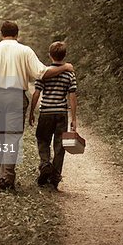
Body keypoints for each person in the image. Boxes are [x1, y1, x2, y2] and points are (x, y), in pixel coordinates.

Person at [0, 21, 74, 190]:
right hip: (15, 98)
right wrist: (65, 67)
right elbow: (42, 73)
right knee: (12, 138)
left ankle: (2, 176)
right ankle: (8, 177)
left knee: (0, 138)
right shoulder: (25, 51)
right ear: (17, 34)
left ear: (1, 33)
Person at [29, 41, 77, 189]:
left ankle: (45, 164)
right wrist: (73, 118)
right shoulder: (69, 74)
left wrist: (31, 112)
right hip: (61, 113)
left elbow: (36, 93)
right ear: (64, 56)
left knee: (43, 140)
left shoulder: (45, 73)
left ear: (50, 55)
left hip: (46, 113)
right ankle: (55, 178)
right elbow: (72, 97)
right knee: (59, 145)